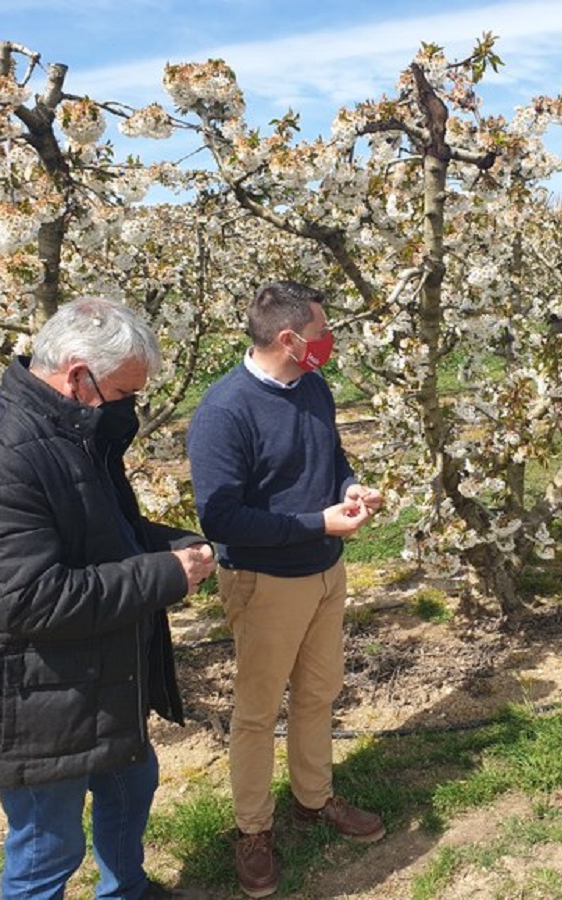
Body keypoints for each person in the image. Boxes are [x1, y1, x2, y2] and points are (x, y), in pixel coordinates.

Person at [0, 297, 217, 899]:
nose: (131, 408)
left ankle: (125, 891)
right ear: (78, 376)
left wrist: (176, 545)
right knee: (46, 847)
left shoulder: (76, 433)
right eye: (125, 393)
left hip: (95, 673)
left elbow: (99, 529)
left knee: (131, 790)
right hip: (32, 695)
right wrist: (165, 574)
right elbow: (32, 599)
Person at [187, 280, 386, 899]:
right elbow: (221, 520)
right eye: (321, 332)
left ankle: (312, 797)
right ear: (288, 338)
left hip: (325, 570)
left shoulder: (313, 386)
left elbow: (331, 456)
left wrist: (350, 488)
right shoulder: (225, 412)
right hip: (265, 580)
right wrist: (313, 524)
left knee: (319, 693)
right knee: (256, 710)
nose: (328, 343)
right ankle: (253, 830)